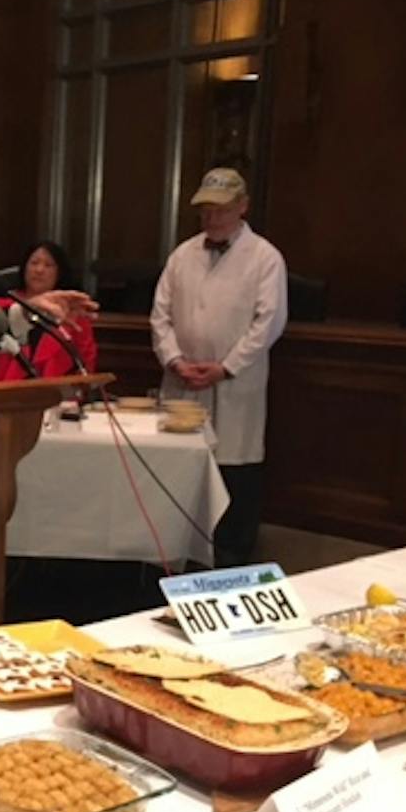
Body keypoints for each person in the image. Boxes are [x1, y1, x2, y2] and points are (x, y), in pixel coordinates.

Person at [150, 167, 288, 567]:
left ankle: (229, 558)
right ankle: (177, 555)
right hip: (182, 383)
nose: (212, 219)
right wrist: (174, 359)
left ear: (243, 208)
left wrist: (226, 367)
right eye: (206, 211)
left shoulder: (265, 258)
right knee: (180, 471)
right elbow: (160, 315)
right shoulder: (182, 254)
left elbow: (269, 322)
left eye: (221, 211)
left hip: (234, 388)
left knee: (233, 473)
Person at [0, 240, 98, 381]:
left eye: (48, 265)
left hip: (57, 398)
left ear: (60, 272)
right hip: (2, 395)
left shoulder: (73, 316)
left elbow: (85, 366)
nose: (39, 270)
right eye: (34, 263)